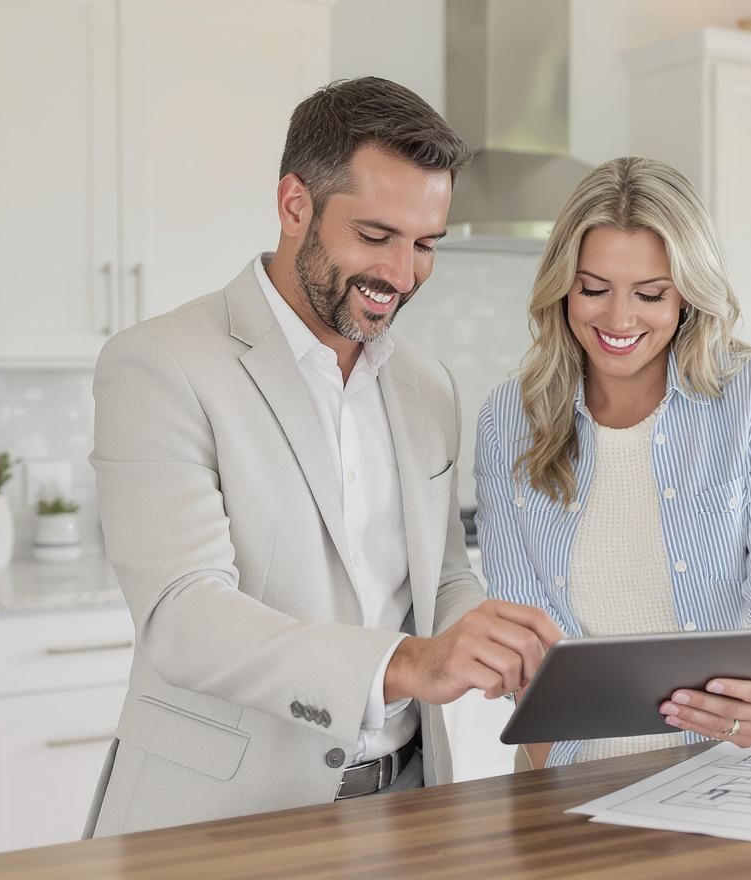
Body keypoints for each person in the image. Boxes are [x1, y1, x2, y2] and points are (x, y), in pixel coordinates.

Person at [85, 77, 561, 836]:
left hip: (406, 804)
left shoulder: (425, 385)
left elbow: (439, 578)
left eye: (426, 245)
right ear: (294, 204)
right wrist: (409, 664)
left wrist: (494, 640)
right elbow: (185, 617)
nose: (402, 277)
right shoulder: (160, 363)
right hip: (221, 820)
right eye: (376, 237)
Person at [474, 157, 751, 770]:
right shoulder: (509, 419)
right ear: (563, 286)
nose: (619, 320)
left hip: (739, 773)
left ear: (687, 296)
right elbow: (524, 640)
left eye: (650, 294)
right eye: (593, 290)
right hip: (571, 780)